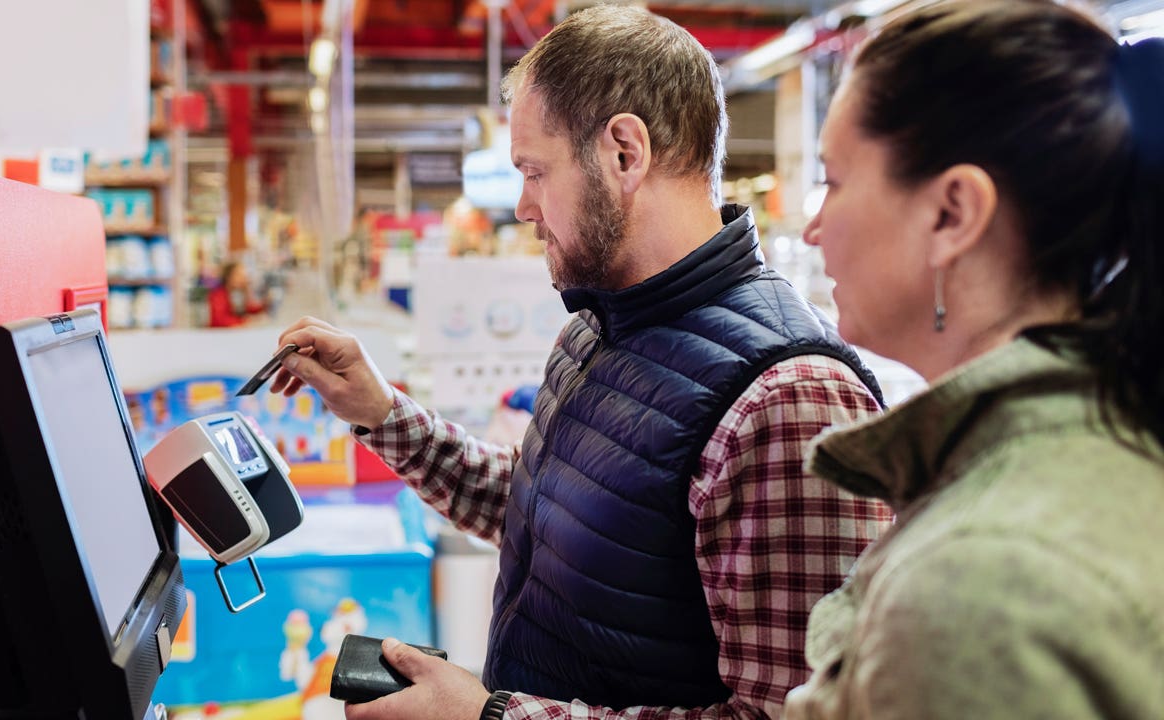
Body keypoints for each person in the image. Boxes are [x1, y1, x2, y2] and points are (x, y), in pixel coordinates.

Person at [272, 6, 892, 720]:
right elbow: (553, 516)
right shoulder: (598, 326)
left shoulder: (787, 400)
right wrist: (381, 412)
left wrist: (490, 715)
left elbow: (786, 716)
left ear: (624, 153)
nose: (523, 207)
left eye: (535, 172)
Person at [784, 1, 1164, 717]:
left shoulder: (983, 580)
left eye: (833, 181)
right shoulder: (1105, 445)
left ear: (953, 214)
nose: (811, 229)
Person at [208, 261, 266, 327]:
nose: (243, 278)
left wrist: (264, 305)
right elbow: (218, 320)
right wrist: (243, 321)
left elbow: (247, 308)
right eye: (239, 275)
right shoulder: (218, 294)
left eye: (243, 275)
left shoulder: (237, 293)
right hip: (220, 335)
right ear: (228, 277)